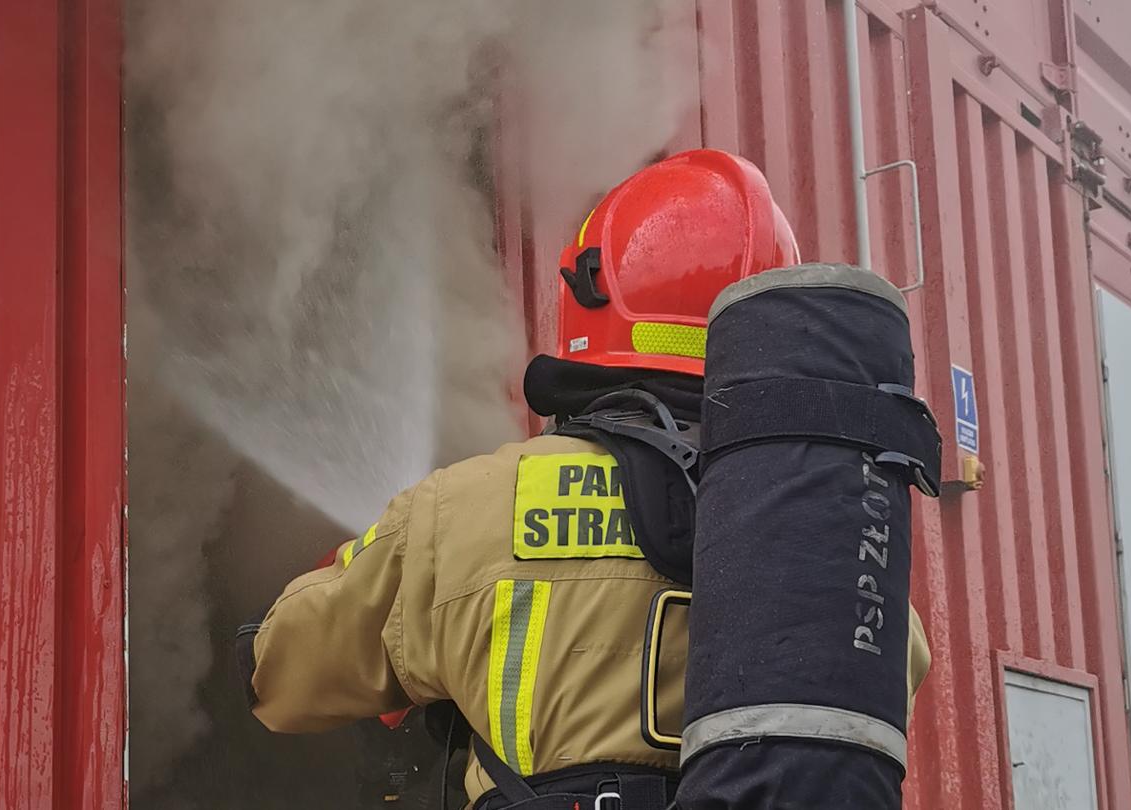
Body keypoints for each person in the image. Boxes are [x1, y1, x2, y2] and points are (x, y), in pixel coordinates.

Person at [235, 149, 931, 809]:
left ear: (591, 293)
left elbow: (282, 677)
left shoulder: (462, 512)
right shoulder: (830, 537)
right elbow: (895, 673)